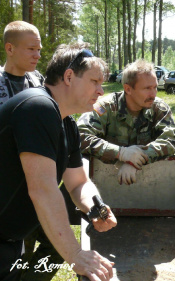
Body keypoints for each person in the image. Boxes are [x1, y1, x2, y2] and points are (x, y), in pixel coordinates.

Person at [0, 43, 118, 281]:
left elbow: (77, 183)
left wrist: (96, 208)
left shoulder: (66, 123)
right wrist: (76, 254)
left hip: (10, 241)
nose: (101, 91)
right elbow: (42, 190)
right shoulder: (37, 107)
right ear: (68, 76)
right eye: (95, 81)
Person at [78, 59, 175, 185]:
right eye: (147, 88)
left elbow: (170, 141)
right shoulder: (106, 107)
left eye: (155, 87)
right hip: (102, 184)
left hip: (148, 185)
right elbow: (80, 135)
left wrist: (137, 159)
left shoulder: (159, 108)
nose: (153, 94)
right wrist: (120, 153)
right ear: (128, 89)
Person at [0, 21, 44, 105]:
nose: (38, 56)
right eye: (31, 49)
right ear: (10, 49)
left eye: (38, 50)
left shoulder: (38, 81)